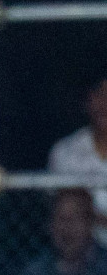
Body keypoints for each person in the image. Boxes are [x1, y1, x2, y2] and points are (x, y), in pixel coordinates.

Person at [47, 77, 107, 246]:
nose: (105, 103)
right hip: (83, 253)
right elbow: (63, 211)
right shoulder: (65, 151)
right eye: (99, 94)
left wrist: (89, 213)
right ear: (87, 101)